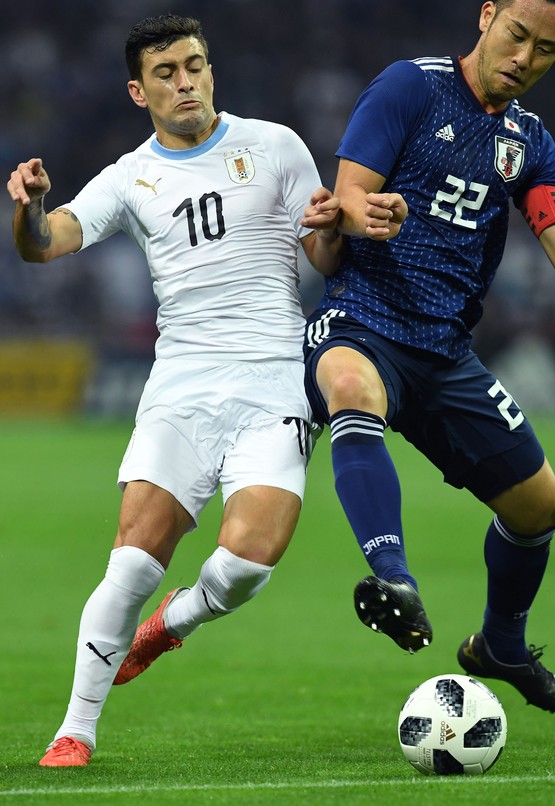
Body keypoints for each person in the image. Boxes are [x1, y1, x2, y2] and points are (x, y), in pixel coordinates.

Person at [301, 0, 555, 714]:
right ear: (487, 16)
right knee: (351, 387)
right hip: (362, 321)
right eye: (517, 36)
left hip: (445, 354)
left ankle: (500, 645)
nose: (525, 59)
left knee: (542, 507)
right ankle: (395, 579)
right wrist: (367, 214)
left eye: (547, 50)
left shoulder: (531, 143)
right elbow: (346, 196)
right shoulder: (410, 87)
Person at [7, 14, 342, 767]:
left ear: (211, 72)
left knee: (247, 565)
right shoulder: (131, 177)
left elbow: (322, 251)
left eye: (195, 66)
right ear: (138, 89)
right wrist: (26, 208)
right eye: (166, 72)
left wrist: (334, 228)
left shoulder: (277, 146)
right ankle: (75, 730)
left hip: (273, 381)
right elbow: (45, 244)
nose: (185, 82)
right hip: (182, 387)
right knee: (130, 562)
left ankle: (172, 626)